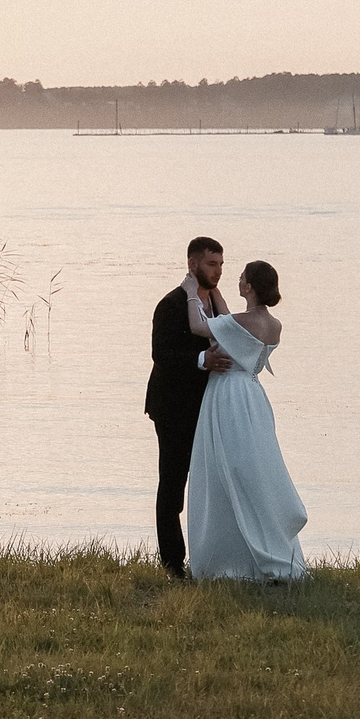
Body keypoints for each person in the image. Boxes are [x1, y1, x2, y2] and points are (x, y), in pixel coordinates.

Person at [182, 259, 307, 581]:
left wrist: (191, 294)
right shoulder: (273, 325)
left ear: (248, 286)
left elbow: (201, 326)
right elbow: (229, 324)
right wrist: (217, 293)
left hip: (228, 395)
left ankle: (228, 556)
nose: (237, 280)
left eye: (241, 277)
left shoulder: (240, 322)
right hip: (253, 396)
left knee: (227, 466)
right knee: (253, 466)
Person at [144, 236, 235, 578]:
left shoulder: (215, 304)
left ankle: (213, 557)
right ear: (193, 264)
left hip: (209, 408)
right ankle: (172, 564)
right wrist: (202, 359)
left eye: (222, 264)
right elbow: (162, 356)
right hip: (172, 408)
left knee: (213, 483)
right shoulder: (171, 304)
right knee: (172, 484)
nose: (219, 271)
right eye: (212, 264)